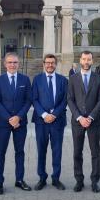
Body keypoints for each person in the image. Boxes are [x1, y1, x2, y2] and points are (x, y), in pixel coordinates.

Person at [0, 52, 32, 194]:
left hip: (20, 123)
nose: (12, 65)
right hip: (3, 123)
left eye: (15, 62)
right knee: (0, 153)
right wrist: (9, 118)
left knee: (20, 152)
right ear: (5, 64)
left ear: (18, 64)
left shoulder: (25, 80)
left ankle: (19, 180)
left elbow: (29, 100)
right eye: (9, 62)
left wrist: (18, 117)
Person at [67, 50, 100, 193]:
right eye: (84, 59)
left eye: (89, 59)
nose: (86, 62)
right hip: (77, 122)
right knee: (77, 152)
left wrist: (90, 117)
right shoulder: (73, 78)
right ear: (80, 60)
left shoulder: (99, 79)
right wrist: (79, 117)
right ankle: (79, 180)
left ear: (92, 61)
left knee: (95, 152)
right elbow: (70, 99)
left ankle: (95, 181)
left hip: (93, 122)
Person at [31, 54, 68, 191]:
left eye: (52, 63)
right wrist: (45, 114)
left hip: (57, 121)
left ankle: (56, 178)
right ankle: (42, 178)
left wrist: (54, 114)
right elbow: (34, 99)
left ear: (56, 64)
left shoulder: (63, 80)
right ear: (44, 64)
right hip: (41, 122)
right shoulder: (37, 79)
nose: (50, 65)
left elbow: (65, 100)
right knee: (41, 150)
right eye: (47, 63)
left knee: (57, 151)